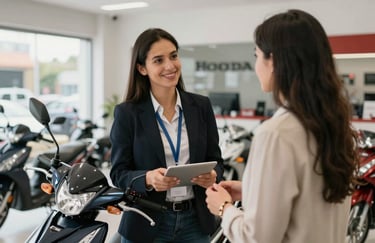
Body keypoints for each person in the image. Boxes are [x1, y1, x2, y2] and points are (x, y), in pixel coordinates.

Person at [205, 9, 359, 243]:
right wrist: (252, 191)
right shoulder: (338, 128)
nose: (256, 66)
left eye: (256, 55)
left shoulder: (275, 134)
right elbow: (311, 202)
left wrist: (224, 208)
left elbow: (257, 238)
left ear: (273, 61)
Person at [109, 28, 224, 243]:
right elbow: (118, 173)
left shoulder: (201, 106)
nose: (170, 66)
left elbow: (217, 161)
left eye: (173, 56)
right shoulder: (128, 113)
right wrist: (148, 179)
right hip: (147, 221)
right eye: (158, 60)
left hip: (195, 222)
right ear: (142, 68)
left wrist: (213, 175)